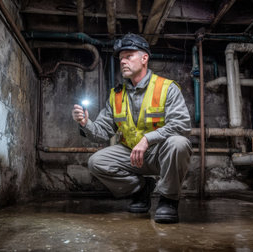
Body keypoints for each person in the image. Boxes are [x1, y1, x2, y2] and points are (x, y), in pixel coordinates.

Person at [71, 33, 192, 223]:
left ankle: (168, 199)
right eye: (121, 58)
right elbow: (103, 132)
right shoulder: (116, 95)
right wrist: (86, 123)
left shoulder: (166, 88)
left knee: (179, 143)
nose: (123, 62)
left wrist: (148, 139)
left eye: (129, 56)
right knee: (96, 162)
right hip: (131, 154)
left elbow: (181, 125)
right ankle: (141, 189)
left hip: (160, 153)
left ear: (145, 58)